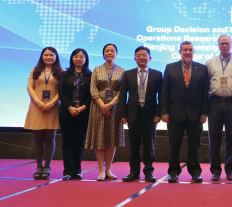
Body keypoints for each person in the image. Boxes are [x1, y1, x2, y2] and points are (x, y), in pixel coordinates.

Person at [161, 41, 209, 183]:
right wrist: (164, 112)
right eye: (185, 50)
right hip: (175, 113)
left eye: (190, 50)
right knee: (174, 145)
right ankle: (173, 172)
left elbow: (205, 92)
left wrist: (204, 113)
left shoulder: (202, 68)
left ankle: (195, 171)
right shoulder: (170, 67)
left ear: (193, 52)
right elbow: (164, 92)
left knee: (195, 145)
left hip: (195, 113)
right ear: (180, 52)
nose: (188, 52)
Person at [117, 47, 163, 182]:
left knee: (149, 145)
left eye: (144, 55)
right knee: (134, 145)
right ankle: (134, 172)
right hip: (133, 114)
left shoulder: (157, 74)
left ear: (150, 58)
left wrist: (159, 113)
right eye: (138, 55)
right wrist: (122, 114)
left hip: (150, 114)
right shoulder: (128, 74)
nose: (141, 57)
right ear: (135, 59)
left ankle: (149, 171)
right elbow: (122, 95)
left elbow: (162, 96)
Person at [205, 35, 232, 181]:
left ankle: (230, 170)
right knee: (214, 138)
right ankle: (215, 170)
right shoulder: (210, 62)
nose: (224, 46)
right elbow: (205, 83)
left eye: (227, 43)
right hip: (214, 102)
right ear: (218, 45)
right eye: (222, 43)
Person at [86, 44, 125, 181]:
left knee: (111, 140)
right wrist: (103, 106)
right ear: (103, 54)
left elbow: (122, 91)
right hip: (98, 108)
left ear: (116, 53)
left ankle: (108, 170)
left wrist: (110, 104)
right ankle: (101, 171)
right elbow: (93, 90)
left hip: (114, 107)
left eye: (112, 51)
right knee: (100, 140)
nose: (110, 53)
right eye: (107, 51)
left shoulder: (121, 70)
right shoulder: (96, 70)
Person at [25, 47, 62, 180]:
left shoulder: (61, 72)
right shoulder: (35, 70)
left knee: (50, 137)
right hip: (37, 107)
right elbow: (30, 87)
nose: (48, 57)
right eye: (46, 55)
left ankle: (47, 166)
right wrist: (39, 103)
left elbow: (62, 90)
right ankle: (39, 166)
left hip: (53, 107)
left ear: (56, 57)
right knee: (38, 138)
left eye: (51, 55)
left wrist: (51, 103)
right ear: (42, 56)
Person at [58, 48, 91, 181]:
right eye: (76, 56)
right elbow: (61, 92)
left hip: (83, 112)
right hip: (66, 112)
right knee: (67, 142)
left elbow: (92, 94)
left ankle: (77, 171)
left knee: (80, 142)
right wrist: (70, 107)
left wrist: (82, 107)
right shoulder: (65, 74)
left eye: (81, 57)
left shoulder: (90, 75)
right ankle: (68, 171)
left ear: (85, 59)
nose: (78, 59)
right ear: (72, 58)